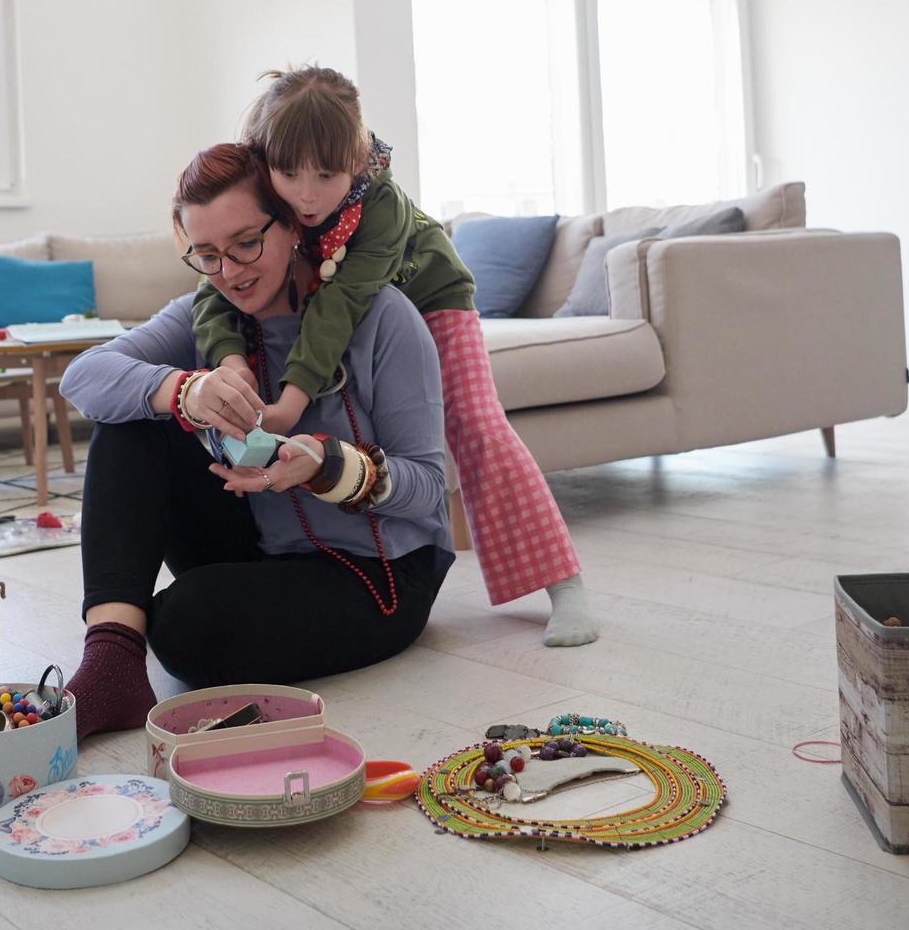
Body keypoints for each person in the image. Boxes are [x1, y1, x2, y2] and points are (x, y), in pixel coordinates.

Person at [189, 65, 603, 647]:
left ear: (358, 160)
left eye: (326, 175)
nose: (306, 194)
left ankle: (564, 584)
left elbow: (344, 302)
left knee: (477, 427)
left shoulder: (379, 208)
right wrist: (231, 361)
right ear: (266, 161)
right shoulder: (263, 195)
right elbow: (213, 286)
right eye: (290, 175)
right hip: (362, 323)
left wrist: (288, 402)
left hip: (432, 304)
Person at [56, 142, 456, 739]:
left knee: (186, 626)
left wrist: (328, 467)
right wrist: (184, 391)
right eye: (208, 254)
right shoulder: (204, 311)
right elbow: (82, 377)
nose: (231, 272)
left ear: (293, 222)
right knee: (128, 419)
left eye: (247, 243)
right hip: (261, 546)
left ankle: (149, 637)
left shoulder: (381, 317)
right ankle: (111, 662)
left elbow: (429, 488)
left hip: (378, 573)